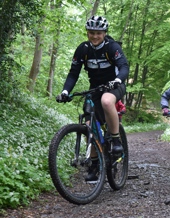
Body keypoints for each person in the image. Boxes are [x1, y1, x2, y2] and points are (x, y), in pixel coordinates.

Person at [56, 15, 129, 181]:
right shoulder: (83, 49)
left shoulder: (112, 47)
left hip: (115, 85)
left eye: (98, 33)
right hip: (95, 88)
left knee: (106, 101)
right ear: (87, 33)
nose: (95, 36)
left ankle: (116, 140)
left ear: (104, 33)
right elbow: (73, 73)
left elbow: (124, 66)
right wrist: (66, 91)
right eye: (91, 32)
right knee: (90, 125)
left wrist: (118, 80)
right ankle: (95, 164)